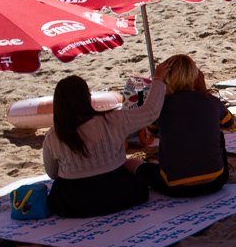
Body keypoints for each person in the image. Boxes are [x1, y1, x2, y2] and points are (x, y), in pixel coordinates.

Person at [41, 72, 167, 217]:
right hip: (118, 192)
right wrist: (158, 80)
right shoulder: (112, 120)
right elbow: (151, 112)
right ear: (87, 98)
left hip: (75, 202)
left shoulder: (53, 136)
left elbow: (52, 173)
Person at [135, 54, 234, 198]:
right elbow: (232, 126)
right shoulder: (210, 101)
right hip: (217, 181)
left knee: (133, 164)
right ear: (197, 76)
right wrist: (204, 93)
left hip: (177, 188)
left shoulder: (160, 108)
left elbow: (150, 137)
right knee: (217, 131)